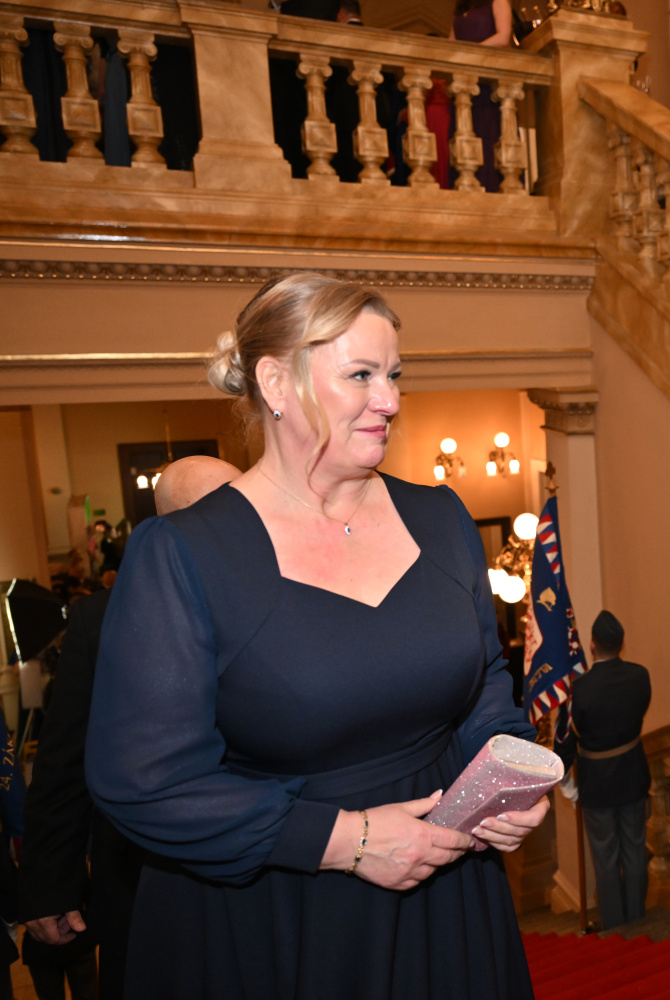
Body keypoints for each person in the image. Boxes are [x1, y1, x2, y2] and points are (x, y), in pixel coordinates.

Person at [85, 272, 550, 1000]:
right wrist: (348, 842)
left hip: (447, 895)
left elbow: (483, 685)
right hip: (282, 911)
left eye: (394, 375)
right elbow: (142, 781)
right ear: (275, 382)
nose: (389, 400)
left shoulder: (440, 517)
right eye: (360, 375)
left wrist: (506, 772)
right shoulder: (183, 553)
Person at [20, 457, 239, 1000]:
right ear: (169, 529)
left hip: (262, 866)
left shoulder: (292, 597)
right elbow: (66, 760)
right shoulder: (102, 618)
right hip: (140, 875)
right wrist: (51, 884)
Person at [555, 611, 652, 930]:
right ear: (622, 644)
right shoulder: (640, 676)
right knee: (635, 849)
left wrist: (567, 785)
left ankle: (614, 925)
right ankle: (637, 918)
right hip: (633, 775)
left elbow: (565, 741)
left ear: (592, 645)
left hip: (596, 783)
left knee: (605, 856)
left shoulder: (577, 690)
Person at [452, 0, 515, 192]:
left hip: (487, 84)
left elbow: (503, 37)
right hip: (463, 86)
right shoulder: (462, 9)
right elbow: (449, 46)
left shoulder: (497, 1)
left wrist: (469, 54)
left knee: (488, 135)